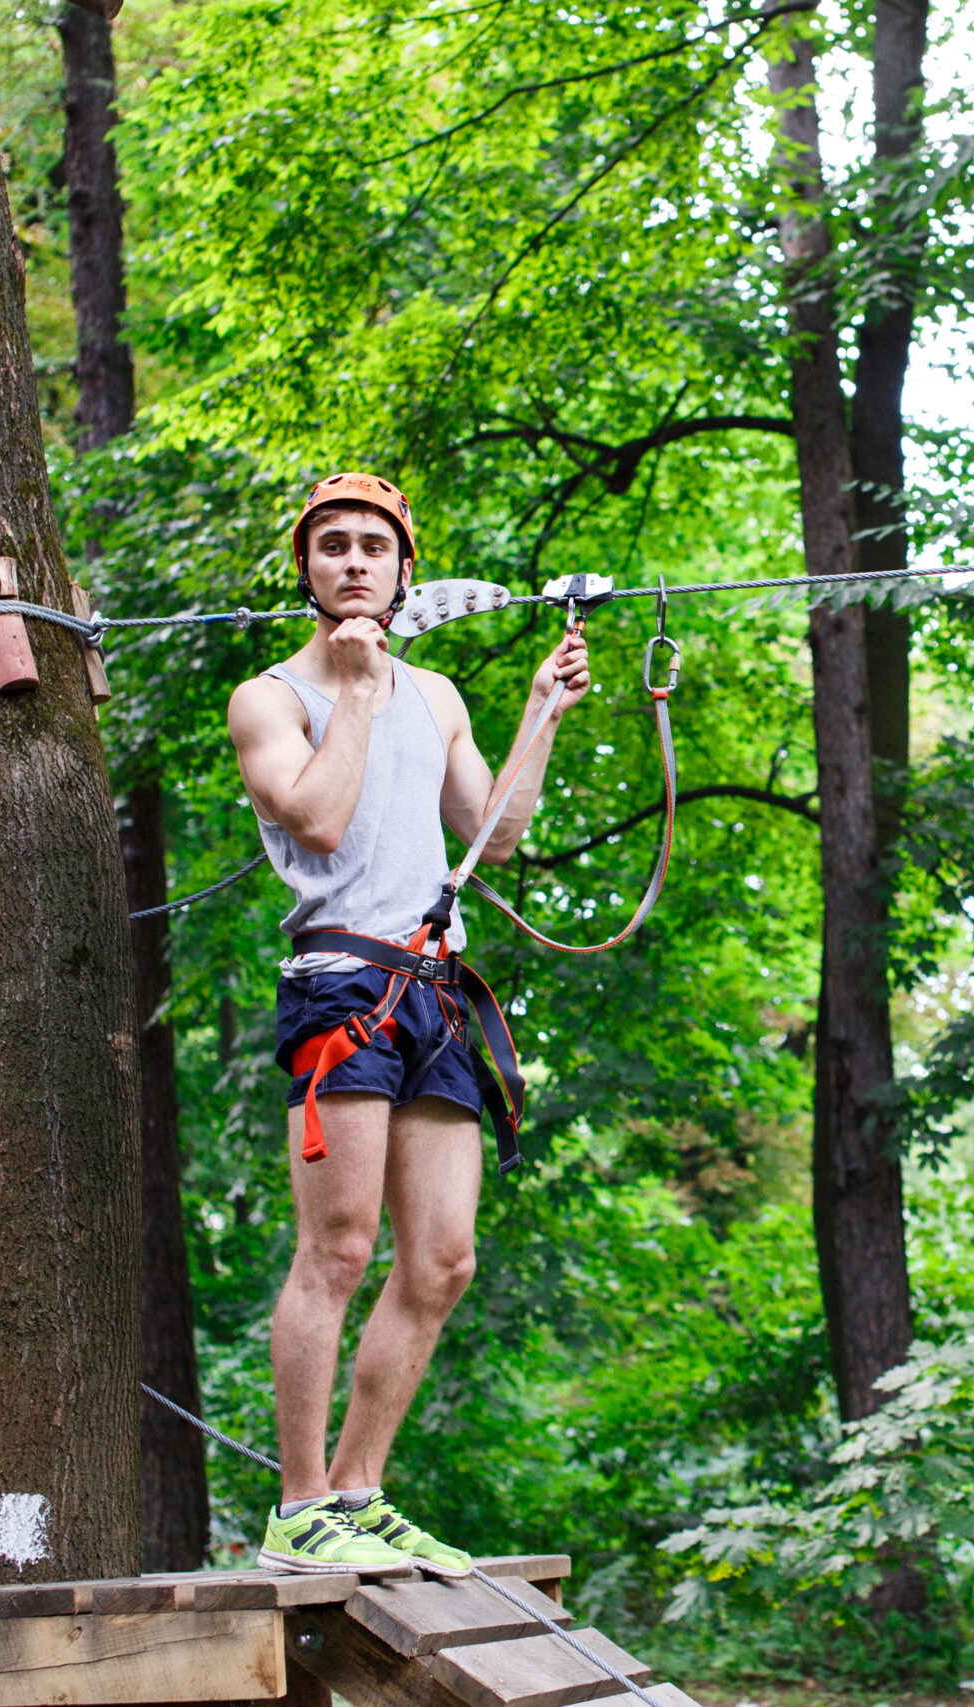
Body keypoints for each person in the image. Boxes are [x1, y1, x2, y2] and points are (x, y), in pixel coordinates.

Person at [226, 472, 588, 1575]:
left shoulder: (437, 696)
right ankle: (299, 1511)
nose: (351, 561)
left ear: (402, 571)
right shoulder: (273, 698)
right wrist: (359, 692)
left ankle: (360, 1489)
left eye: (372, 548)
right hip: (340, 987)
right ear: (307, 571)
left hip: (430, 993)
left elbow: (494, 833)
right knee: (337, 1250)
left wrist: (539, 715)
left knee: (441, 1260)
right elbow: (322, 820)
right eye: (331, 546)